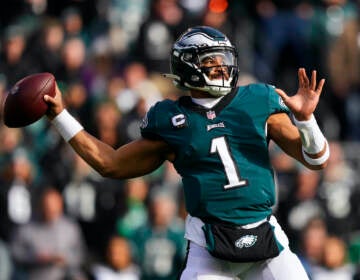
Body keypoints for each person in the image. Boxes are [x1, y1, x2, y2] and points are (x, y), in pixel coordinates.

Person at [44, 26, 330, 279]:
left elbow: (316, 159)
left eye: (224, 60)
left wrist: (305, 120)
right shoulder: (171, 119)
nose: (221, 67)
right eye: (211, 61)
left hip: (265, 238)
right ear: (188, 66)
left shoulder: (257, 100)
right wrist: (60, 116)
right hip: (209, 247)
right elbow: (110, 164)